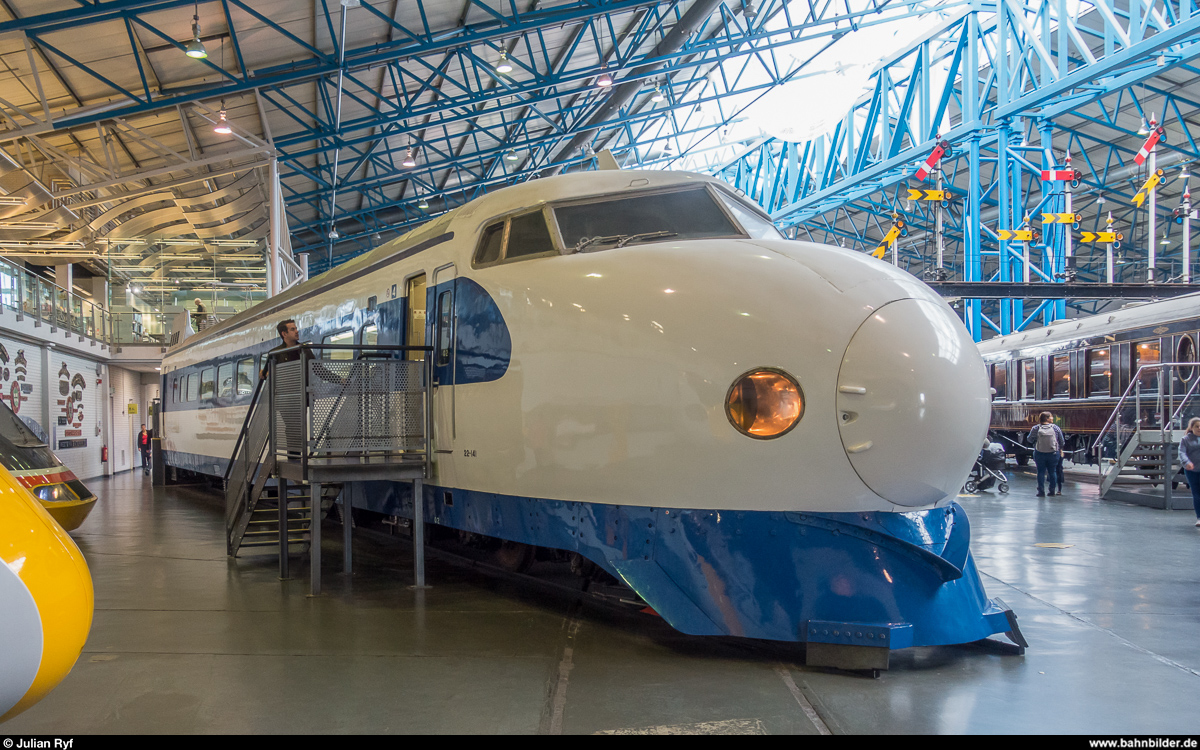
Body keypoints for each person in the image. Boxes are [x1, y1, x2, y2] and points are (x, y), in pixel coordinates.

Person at [1027, 412, 1065, 497]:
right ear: (1047, 418)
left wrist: (1036, 441)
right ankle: (1052, 491)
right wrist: (1059, 448)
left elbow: (1029, 439)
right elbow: (1062, 441)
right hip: (1053, 453)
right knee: (1052, 472)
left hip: (1039, 453)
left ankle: (1041, 491)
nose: (1052, 418)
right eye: (1051, 417)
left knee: (1040, 472)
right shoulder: (1056, 428)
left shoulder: (1036, 428)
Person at [1178, 417, 1200, 528]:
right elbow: (1181, 453)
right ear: (1192, 428)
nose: (1199, 428)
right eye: (1197, 426)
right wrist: (1186, 462)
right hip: (1192, 470)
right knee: (1196, 494)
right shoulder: (1185, 439)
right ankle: (1199, 518)